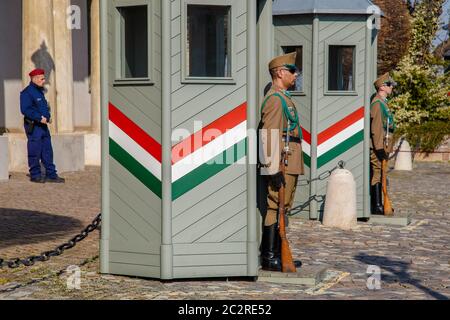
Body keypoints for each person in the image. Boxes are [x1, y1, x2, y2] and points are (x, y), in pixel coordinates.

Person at [258, 52, 304, 271]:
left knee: (284, 206)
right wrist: (272, 168)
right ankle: (269, 255)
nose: (295, 75)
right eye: (292, 71)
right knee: (275, 205)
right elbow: (269, 134)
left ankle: (278, 251)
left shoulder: (284, 98)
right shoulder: (276, 100)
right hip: (281, 162)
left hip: (290, 157)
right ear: (279, 73)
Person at [20, 68, 65, 184]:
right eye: (42, 78)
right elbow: (25, 109)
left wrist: (48, 116)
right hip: (34, 126)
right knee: (35, 151)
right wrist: (39, 118)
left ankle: (51, 175)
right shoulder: (27, 92)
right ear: (34, 79)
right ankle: (35, 175)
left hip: (43, 127)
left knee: (47, 151)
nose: (44, 80)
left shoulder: (39, 92)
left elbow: (44, 107)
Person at [370, 72, 396, 214]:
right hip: (378, 146)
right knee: (377, 173)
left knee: (382, 173)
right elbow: (376, 128)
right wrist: (379, 148)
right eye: (390, 85)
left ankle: (380, 203)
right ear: (382, 87)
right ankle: (377, 205)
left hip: (383, 145)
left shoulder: (383, 103)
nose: (392, 88)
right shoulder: (377, 104)